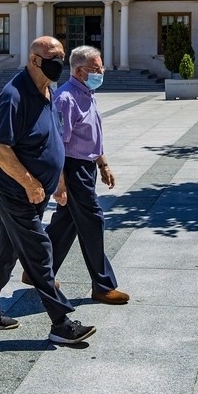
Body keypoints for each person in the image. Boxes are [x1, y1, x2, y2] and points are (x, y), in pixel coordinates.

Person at [0, 36, 97, 345]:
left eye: (62, 57)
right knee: (40, 251)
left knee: (7, 250)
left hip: (37, 190)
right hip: (13, 190)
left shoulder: (49, 91)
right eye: (52, 58)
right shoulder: (14, 95)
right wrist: (30, 182)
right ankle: (61, 323)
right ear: (34, 60)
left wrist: (60, 183)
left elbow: (52, 139)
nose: (59, 63)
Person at [43, 45, 129, 305]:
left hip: (87, 166)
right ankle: (102, 286)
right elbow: (58, 144)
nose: (101, 72)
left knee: (66, 223)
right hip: (72, 168)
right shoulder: (66, 98)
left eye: (101, 67)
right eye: (96, 69)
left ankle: (37, 270)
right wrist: (60, 183)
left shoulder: (87, 93)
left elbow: (92, 135)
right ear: (79, 71)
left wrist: (103, 164)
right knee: (92, 222)